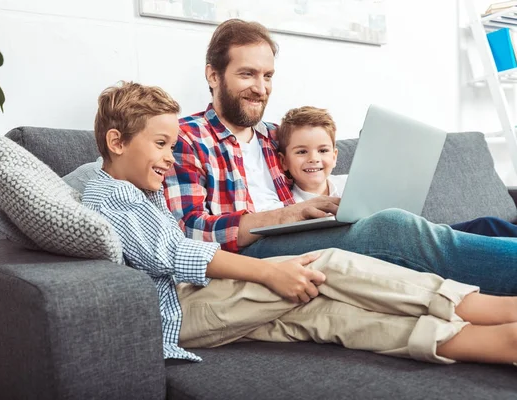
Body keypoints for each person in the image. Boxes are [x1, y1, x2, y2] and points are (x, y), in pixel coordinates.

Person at [83, 80, 517, 366]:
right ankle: (493, 308)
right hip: (180, 311)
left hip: (194, 304)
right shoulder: (112, 194)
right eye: (161, 145)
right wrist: (272, 270)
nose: (168, 157)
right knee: (325, 266)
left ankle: (485, 343)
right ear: (116, 142)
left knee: (323, 316)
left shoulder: (146, 191)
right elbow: (178, 251)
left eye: (171, 145)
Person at [162, 18, 517, 296]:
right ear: (213, 74)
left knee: (471, 226)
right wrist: (283, 216)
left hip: (303, 236)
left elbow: (318, 165)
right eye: (247, 74)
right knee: (391, 228)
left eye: (268, 75)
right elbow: (187, 233)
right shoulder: (186, 138)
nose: (261, 87)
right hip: (250, 257)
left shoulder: (277, 136)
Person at [276, 105, 517, 237]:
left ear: (335, 156)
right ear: (283, 161)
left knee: (488, 225)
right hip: (383, 247)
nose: (314, 159)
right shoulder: (292, 205)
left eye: (322, 150)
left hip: (412, 232)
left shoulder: (353, 181)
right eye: (301, 152)